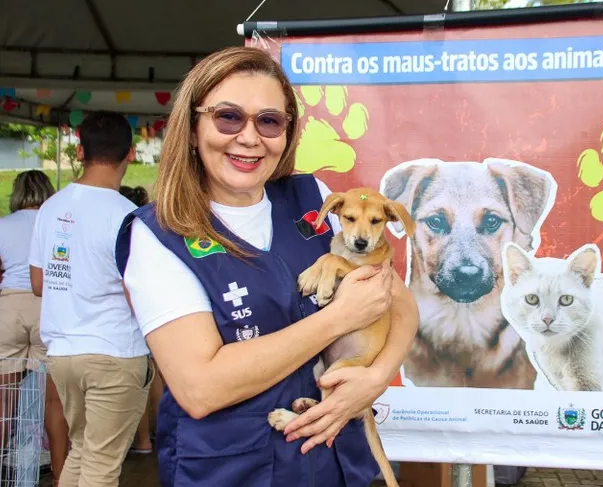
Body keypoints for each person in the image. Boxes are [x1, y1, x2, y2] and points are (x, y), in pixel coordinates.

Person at [114, 46, 419, 487]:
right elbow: (200, 388)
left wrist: (375, 377)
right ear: (192, 128)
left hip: (332, 464)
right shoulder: (159, 236)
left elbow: (402, 306)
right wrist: (337, 318)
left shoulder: (313, 198)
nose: (249, 137)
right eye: (228, 117)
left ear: (287, 133)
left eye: (269, 121)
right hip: (234, 470)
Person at [29, 111, 154, 487]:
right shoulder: (129, 216)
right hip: (114, 353)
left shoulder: (51, 207)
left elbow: (38, 282)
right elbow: (138, 293)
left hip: (63, 354)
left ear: (80, 151)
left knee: (83, 451)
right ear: (130, 153)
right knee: (101, 465)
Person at [0, 170, 69, 485]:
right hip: (48, 307)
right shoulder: (56, 225)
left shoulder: (4, 224)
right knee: (54, 401)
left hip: (9, 309)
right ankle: (60, 475)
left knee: (5, 401)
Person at [117, 185, 165, 455]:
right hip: (133, 332)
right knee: (153, 376)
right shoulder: (142, 225)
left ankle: (144, 438)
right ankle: (151, 436)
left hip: (126, 329)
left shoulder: (138, 227)